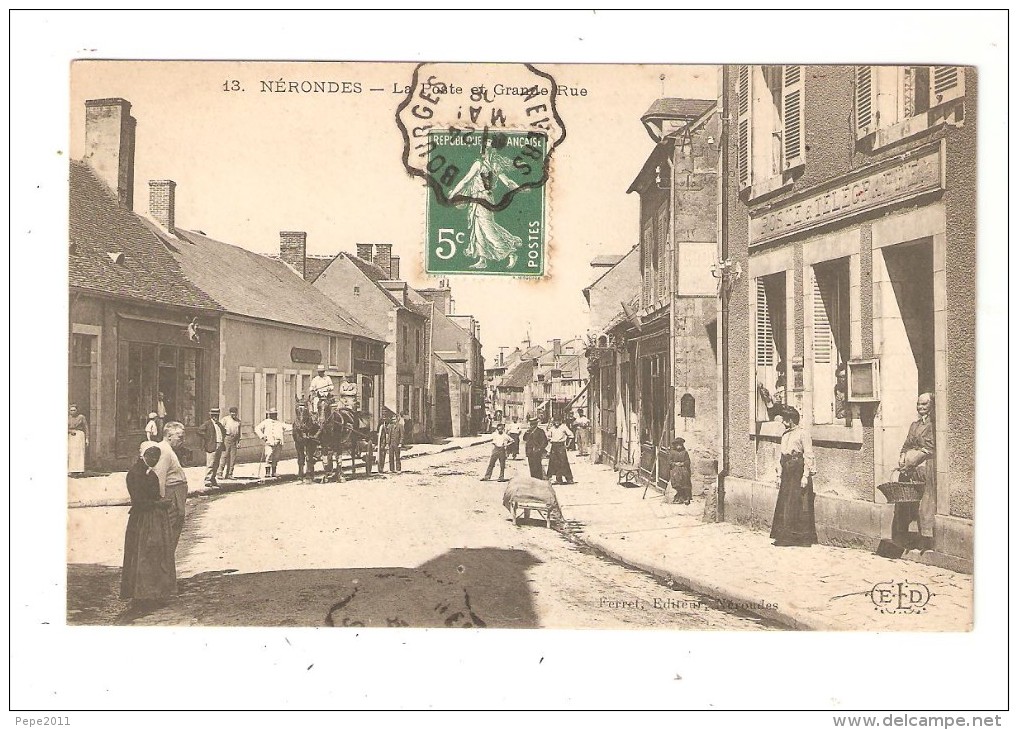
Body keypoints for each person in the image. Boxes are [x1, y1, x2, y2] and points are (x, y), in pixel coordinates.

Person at [447, 142, 523, 270]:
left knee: (488, 228)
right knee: (478, 229)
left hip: (485, 199)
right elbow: (465, 181)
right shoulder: (479, 164)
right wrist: (453, 194)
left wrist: (519, 188)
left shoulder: (495, 165)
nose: (486, 151)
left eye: (488, 149)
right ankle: (482, 260)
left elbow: (507, 181)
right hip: (476, 199)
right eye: (485, 149)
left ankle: (510, 252)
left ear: (492, 151)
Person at [120, 444, 176, 605]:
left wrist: (161, 501)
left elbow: (154, 495)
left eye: (157, 459)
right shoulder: (135, 474)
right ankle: (141, 593)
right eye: (152, 457)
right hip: (141, 520)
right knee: (142, 556)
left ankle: (153, 592)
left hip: (152, 518)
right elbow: (139, 501)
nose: (154, 461)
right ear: (144, 456)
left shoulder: (149, 473)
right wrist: (158, 504)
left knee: (153, 555)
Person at [892, 393, 936, 552]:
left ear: (931, 406)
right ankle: (911, 537)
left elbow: (930, 448)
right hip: (911, 470)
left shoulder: (933, 426)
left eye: (924, 404)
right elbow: (906, 444)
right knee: (910, 502)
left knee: (925, 503)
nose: (921, 407)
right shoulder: (914, 425)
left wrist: (913, 459)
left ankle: (926, 540)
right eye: (919, 404)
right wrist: (902, 457)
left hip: (925, 467)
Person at [770, 407, 818, 547]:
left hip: (798, 471)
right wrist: (779, 475)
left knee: (797, 503)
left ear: (791, 420)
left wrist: (805, 476)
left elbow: (808, 454)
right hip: (787, 470)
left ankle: (798, 538)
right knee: (785, 502)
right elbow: (781, 455)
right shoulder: (785, 435)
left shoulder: (803, 434)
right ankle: (784, 536)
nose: (783, 423)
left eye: (785, 420)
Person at [151, 422, 189, 554]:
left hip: (176, 493)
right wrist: (161, 500)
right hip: (171, 494)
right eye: (180, 437)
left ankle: (166, 564)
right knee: (169, 530)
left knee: (173, 529)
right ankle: (164, 564)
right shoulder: (164, 451)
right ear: (168, 436)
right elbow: (159, 478)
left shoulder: (170, 450)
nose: (182, 441)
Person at [256, 408, 291, 478]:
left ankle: (274, 472)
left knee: (276, 457)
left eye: (275, 414)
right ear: (269, 415)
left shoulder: (279, 423)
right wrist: (262, 436)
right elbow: (257, 428)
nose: (274, 416)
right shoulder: (266, 422)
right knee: (269, 456)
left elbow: (288, 427)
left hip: (278, 443)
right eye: (272, 414)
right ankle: (267, 473)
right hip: (269, 442)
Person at [197, 407, 226, 487]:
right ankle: (207, 480)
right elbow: (199, 431)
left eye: (217, 416)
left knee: (216, 463)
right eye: (214, 416)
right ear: (211, 416)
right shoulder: (208, 423)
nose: (215, 417)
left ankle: (213, 479)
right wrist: (208, 438)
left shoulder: (219, 424)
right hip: (211, 445)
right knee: (210, 463)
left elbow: (224, 431)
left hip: (219, 445)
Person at [291, 400, 319, 482]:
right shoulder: (297, 423)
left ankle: (309, 472)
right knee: (300, 453)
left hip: (310, 439)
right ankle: (300, 472)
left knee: (309, 454)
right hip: (299, 440)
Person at [546, 417, 575, 485]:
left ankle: (569, 478)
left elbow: (571, 436)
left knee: (563, 462)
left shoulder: (564, 427)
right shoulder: (552, 428)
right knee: (554, 463)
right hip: (554, 446)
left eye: (558, 421)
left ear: (560, 421)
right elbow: (548, 436)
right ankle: (558, 479)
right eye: (555, 421)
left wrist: (568, 445)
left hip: (561, 446)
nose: (556, 422)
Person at [218, 406, 242, 480]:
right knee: (224, 456)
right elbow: (220, 429)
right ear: (230, 413)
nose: (233, 414)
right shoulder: (225, 419)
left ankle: (229, 474)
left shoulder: (238, 421)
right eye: (232, 413)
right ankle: (219, 473)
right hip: (226, 438)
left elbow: (239, 433)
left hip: (234, 440)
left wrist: (238, 442)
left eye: (235, 413)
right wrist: (221, 440)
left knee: (232, 458)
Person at [669, 437, 693, 505]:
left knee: (685, 479)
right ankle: (679, 496)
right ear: (675, 445)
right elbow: (669, 462)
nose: (679, 446)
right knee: (676, 480)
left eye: (680, 445)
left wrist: (683, 463)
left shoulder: (684, 452)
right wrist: (675, 464)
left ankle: (687, 497)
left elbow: (688, 461)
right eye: (677, 445)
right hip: (675, 469)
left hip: (683, 468)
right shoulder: (672, 452)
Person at [67, 403, 89, 474]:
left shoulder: (81, 417)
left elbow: (86, 427)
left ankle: (80, 470)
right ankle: (71, 470)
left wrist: (87, 438)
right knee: (72, 453)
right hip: (71, 435)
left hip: (79, 435)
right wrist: (70, 431)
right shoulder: (68, 418)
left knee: (80, 453)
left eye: (74, 410)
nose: (72, 412)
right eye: (71, 410)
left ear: (77, 410)